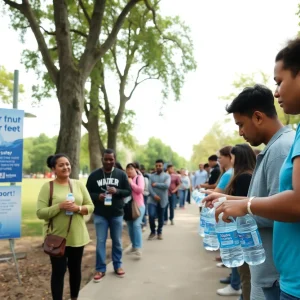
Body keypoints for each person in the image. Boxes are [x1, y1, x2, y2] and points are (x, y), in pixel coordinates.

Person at [204, 84, 295, 300]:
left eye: (241, 124)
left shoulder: (280, 150)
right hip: (266, 271)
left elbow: (282, 211)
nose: (240, 132)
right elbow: (264, 201)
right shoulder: (274, 148)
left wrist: (240, 209)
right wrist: (227, 198)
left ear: (258, 117)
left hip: (273, 275)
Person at [37, 154, 94, 300]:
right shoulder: (47, 187)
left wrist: (78, 208)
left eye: (67, 164)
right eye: (61, 165)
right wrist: (59, 206)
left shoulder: (78, 184)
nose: (66, 167)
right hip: (56, 238)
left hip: (77, 237)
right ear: (53, 169)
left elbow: (90, 206)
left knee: (75, 271)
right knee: (58, 272)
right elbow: (40, 213)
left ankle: (74, 297)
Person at [216, 144, 256, 299]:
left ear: (237, 158)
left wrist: (222, 201)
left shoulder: (243, 177)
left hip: (243, 232)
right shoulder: (248, 174)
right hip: (245, 230)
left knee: (246, 276)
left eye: (231, 157)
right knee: (246, 274)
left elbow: (244, 204)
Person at [86, 148, 131, 282]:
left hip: (116, 213)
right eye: (106, 159)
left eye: (111, 159)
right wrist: (97, 196)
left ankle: (118, 265)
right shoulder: (94, 175)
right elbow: (87, 193)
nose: (108, 161)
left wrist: (117, 191)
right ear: (102, 159)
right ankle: (100, 268)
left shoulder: (121, 175)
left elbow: (128, 191)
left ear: (114, 160)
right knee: (100, 241)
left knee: (116, 241)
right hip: (100, 214)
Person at [125, 163, 145, 258]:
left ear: (135, 170)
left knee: (136, 225)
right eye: (127, 169)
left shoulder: (139, 178)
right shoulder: (125, 179)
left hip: (138, 206)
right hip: (128, 206)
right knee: (130, 226)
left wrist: (131, 183)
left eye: (131, 169)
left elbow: (140, 190)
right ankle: (133, 246)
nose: (129, 171)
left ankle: (138, 248)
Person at [148, 159, 171, 240]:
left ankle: (159, 232)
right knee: (151, 215)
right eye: (157, 166)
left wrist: (156, 184)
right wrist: (154, 195)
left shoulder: (167, 176)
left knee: (161, 217)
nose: (158, 167)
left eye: (160, 166)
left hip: (163, 200)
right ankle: (152, 231)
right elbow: (149, 187)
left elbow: (166, 186)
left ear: (163, 166)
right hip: (152, 199)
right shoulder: (151, 176)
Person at [140, 164, 150, 230]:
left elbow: (147, 187)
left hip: (144, 194)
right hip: (142, 194)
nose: (142, 171)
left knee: (143, 209)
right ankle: (143, 223)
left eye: (142, 170)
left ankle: (144, 223)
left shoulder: (146, 177)